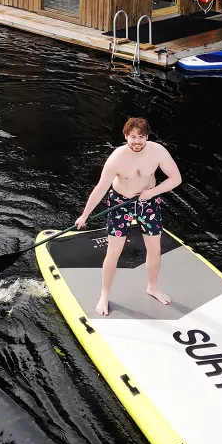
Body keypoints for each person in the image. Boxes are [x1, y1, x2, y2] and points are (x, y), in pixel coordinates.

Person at [74, 117, 183, 316]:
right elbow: (100, 189)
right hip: (120, 202)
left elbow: (176, 179)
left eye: (141, 137)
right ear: (126, 136)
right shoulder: (117, 159)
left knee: (155, 248)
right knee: (114, 251)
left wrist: (152, 192)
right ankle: (104, 295)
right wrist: (84, 215)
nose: (136, 141)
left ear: (147, 137)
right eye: (132, 137)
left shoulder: (158, 151)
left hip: (147, 201)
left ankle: (152, 287)